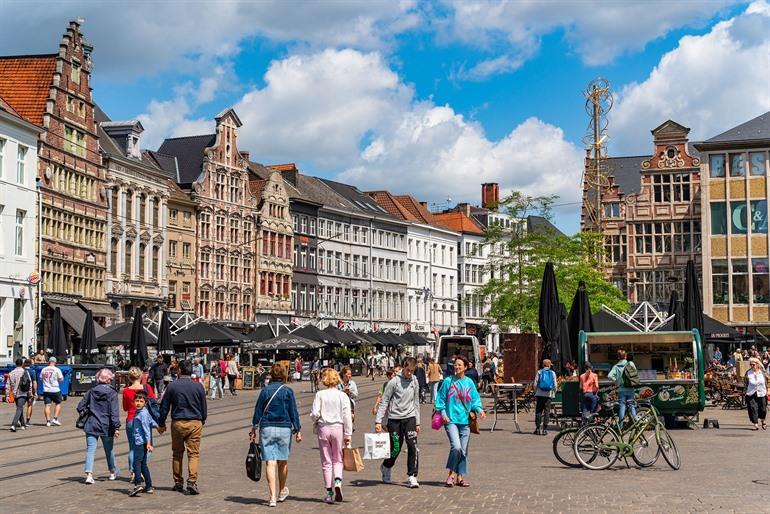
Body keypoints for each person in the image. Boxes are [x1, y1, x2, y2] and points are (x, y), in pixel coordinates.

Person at [250, 363, 302, 507]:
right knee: (283, 461)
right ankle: (281, 491)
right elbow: (293, 411)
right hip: (284, 428)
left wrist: (254, 427)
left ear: (271, 375)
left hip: (267, 428)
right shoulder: (288, 391)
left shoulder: (265, 391)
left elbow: (258, 411)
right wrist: (297, 429)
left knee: (270, 462)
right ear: (284, 375)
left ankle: (272, 497)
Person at [435, 355, 486, 487]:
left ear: (465, 367)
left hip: (465, 422)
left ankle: (460, 476)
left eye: (459, 365)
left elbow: (475, 399)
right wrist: (443, 413)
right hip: (450, 420)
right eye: (455, 365)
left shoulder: (469, 382)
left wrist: (479, 410)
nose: (457, 367)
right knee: (456, 447)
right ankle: (451, 474)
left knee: (463, 450)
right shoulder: (448, 381)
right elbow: (440, 399)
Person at [158, 360, 207, 495]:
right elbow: (204, 408)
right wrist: (202, 420)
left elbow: (164, 407)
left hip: (178, 422)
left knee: (177, 454)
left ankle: (178, 482)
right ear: (192, 371)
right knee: (193, 454)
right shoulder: (199, 387)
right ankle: (192, 481)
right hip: (195, 422)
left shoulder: (172, 386)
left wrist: (161, 423)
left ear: (179, 370)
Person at [375, 357, 421, 488]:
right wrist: (379, 421)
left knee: (413, 445)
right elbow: (385, 401)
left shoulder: (414, 381)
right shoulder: (394, 382)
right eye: (407, 370)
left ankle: (412, 475)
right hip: (394, 419)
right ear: (403, 368)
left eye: (412, 371)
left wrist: (417, 422)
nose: (409, 373)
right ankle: (386, 466)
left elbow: (416, 401)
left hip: (410, 417)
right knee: (396, 448)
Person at [310, 368, 352, 504]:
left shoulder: (320, 394)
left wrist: (315, 419)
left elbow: (315, 413)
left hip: (324, 428)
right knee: (338, 458)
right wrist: (348, 434)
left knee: (326, 461)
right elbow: (347, 416)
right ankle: (338, 481)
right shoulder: (342, 396)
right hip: (338, 428)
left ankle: (329, 493)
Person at [77, 368, 121, 484]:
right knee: (109, 450)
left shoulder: (91, 391)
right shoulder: (112, 392)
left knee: (90, 450)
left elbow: (80, 406)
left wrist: (89, 410)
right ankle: (112, 472)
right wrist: (116, 427)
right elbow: (114, 412)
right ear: (107, 380)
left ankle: (89, 475)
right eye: (110, 379)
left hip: (91, 424)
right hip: (107, 425)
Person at [122, 367, 156, 481]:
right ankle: (140, 468)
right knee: (149, 446)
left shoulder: (126, 390)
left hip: (131, 420)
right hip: (144, 420)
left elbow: (125, 408)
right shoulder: (147, 388)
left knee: (132, 448)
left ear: (129, 377)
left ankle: (133, 472)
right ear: (141, 376)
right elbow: (153, 403)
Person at [129, 390, 157, 497]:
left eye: (141, 401)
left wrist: (148, 443)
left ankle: (137, 484)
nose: (138, 403)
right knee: (143, 464)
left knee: (136, 463)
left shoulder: (143, 414)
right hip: (141, 441)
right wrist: (158, 427)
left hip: (140, 442)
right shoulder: (142, 412)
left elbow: (146, 429)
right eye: (137, 400)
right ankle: (149, 486)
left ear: (145, 402)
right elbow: (151, 422)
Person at [608, 349, 637, 429]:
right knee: (631, 406)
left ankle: (621, 427)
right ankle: (635, 426)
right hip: (630, 389)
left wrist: (617, 381)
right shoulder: (630, 363)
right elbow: (635, 373)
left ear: (618, 357)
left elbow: (609, 376)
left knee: (622, 407)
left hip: (621, 390)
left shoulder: (616, 366)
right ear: (626, 356)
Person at [533, 359, 557, 435]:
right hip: (548, 395)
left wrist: (535, 392)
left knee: (539, 411)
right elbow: (555, 385)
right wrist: (553, 393)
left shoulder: (539, 372)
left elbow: (535, 384)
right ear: (549, 365)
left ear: (543, 365)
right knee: (547, 412)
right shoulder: (552, 373)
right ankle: (545, 429)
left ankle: (537, 429)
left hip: (540, 394)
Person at [7, 358, 32, 432]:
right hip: (23, 393)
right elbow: (29, 383)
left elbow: (8, 385)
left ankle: (23, 424)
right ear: (22, 364)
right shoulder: (25, 372)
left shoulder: (11, 373)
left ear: (16, 364)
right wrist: (30, 394)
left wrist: (7, 395)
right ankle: (13, 425)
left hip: (15, 394)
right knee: (19, 409)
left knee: (19, 408)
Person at [745, 357, 768, 431]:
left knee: (763, 409)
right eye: (751, 364)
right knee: (753, 408)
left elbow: (767, 382)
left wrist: (768, 390)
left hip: (762, 392)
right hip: (751, 393)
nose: (752, 366)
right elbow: (745, 383)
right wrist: (746, 392)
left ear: (758, 365)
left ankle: (763, 420)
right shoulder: (748, 373)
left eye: (753, 364)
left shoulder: (763, 373)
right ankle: (755, 424)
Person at [41, 356, 64, 426]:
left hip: (46, 390)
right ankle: (55, 418)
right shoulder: (57, 369)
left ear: (49, 362)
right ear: (55, 362)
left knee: (47, 405)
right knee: (58, 403)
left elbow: (40, 378)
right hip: (55, 389)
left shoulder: (44, 369)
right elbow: (61, 379)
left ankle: (48, 421)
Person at [23, 359, 37, 428]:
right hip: (30, 392)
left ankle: (20, 420)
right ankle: (27, 421)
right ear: (31, 364)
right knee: (29, 405)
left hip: (21, 391)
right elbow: (34, 382)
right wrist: (35, 391)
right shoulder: (32, 372)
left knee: (20, 407)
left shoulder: (22, 371)